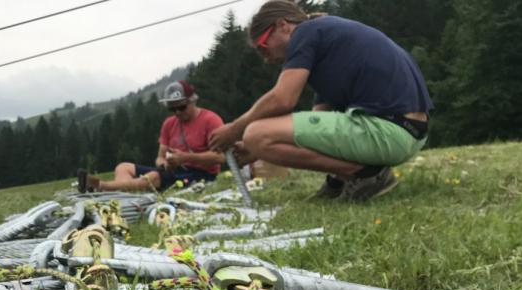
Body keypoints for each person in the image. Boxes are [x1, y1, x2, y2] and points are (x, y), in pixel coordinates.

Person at [209, 1, 432, 202]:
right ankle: (339, 181)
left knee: (256, 133)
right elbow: (320, 126)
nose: (266, 60)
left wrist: (236, 130)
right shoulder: (327, 42)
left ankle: (365, 175)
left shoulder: (306, 32)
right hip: (409, 131)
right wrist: (256, 150)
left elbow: (283, 99)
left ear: (282, 25)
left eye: (263, 47)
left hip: (388, 130)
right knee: (258, 138)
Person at [77, 80, 225, 192]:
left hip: (201, 174)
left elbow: (221, 157)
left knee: (153, 177)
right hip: (173, 171)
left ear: (193, 101)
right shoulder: (169, 123)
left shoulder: (211, 120)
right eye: (172, 109)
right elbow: (159, 157)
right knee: (123, 167)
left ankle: (101, 186)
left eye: (181, 107)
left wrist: (186, 158)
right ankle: (125, 190)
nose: (178, 113)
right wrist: (163, 164)